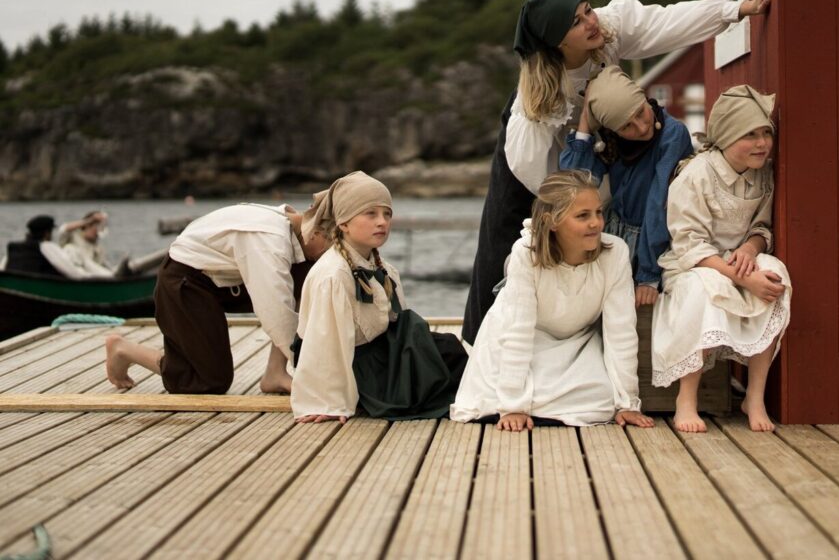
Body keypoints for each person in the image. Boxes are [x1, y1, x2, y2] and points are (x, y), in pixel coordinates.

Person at [463, 0, 772, 344]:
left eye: (587, 9)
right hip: (537, 164)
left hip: (603, 136)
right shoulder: (537, 103)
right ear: (558, 42)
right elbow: (534, 171)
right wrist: (578, 200)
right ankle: (477, 348)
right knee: (506, 241)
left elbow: (667, 22)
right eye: (576, 23)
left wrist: (738, 10)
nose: (590, 22)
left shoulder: (606, 29)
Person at [451, 170, 654, 430]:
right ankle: (519, 401)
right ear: (553, 221)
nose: (596, 223)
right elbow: (518, 331)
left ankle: (549, 402)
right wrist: (513, 406)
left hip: (575, 343)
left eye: (598, 212)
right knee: (493, 397)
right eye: (583, 216)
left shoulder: (615, 253)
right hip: (517, 339)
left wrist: (627, 403)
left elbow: (621, 332)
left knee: (602, 398)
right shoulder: (525, 255)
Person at [652, 85, 792, 433]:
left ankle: (754, 396)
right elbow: (688, 243)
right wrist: (741, 277)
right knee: (705, 289)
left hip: (738, 257)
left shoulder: (762, 173)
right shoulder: (697, 175)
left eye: (766, 133)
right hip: (695, 263)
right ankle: (687, 398)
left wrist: (751, 250)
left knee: (775, 276)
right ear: (727, 136)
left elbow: (762, 225)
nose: (762, 143)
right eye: (750, 135)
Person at [290, 172, 467, 423]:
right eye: (370, 214)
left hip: (382, 354)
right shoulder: (333, 275)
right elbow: (325, 345)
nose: (382, 222)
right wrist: (327, 401)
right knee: (439, 386)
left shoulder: (384, 268)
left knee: (449, 350)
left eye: (387, 214)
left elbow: (397, 326)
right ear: (343, 223)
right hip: (359, 369)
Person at [104, 199, 332, 395]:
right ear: (316, 232)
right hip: (185, 280)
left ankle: (275, 373)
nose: (328, 255)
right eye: (329, 247)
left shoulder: (293, 224)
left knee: (308, 275)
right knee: (209, 380)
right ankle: (124, 349)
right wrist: (311, 375)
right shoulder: (268, 242)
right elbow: (277, 314)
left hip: (223, 279)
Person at [559, 65, 692, 306]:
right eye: (626, 126)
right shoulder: (609, 141)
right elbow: (573, 185)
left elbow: (659, 201)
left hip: (654, 241)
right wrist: (586, 124)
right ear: (611, 130)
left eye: (641, 113)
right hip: (611, 235)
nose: (641, 128)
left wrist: (648, 275)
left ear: (643, 96)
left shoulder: (672, 135)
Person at [1, 215, 97, 279]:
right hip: (43, 287)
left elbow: (2, 270)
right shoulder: (46, 246)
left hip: (18, 285)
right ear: (47, 233)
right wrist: (91, 279)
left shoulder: (14, 247)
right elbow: (72, 272)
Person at [58, 211, 116, 277]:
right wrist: (90, 220)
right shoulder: (73, 235)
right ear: (87, 226)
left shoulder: (98, 249)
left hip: (91, 278)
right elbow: (63, 229)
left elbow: (100, 266)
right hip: (73, 276)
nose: (98, 231)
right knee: (70, 248)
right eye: (96, 226)